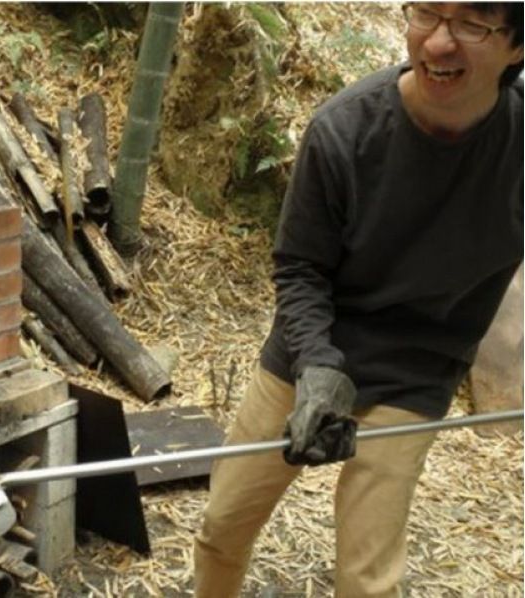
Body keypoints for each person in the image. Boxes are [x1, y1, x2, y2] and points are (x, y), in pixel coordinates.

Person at [194, 3, 523, 597]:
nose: (439, 43)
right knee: (222, 526)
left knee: (368, 581)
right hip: (312, 351)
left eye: (472, 25)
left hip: (417, 370)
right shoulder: (345, 130)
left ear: (517, 49)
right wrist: (316, 365)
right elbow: (300, 267)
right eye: (427, 13)